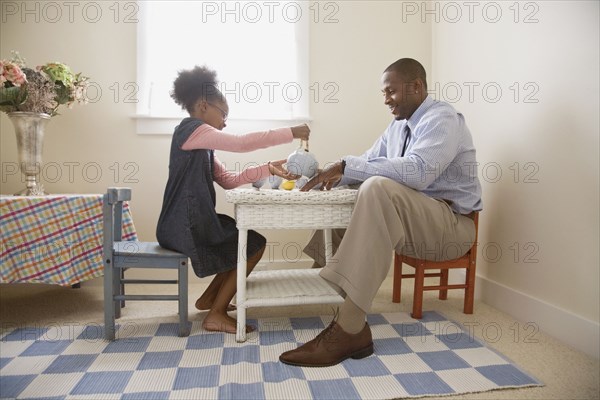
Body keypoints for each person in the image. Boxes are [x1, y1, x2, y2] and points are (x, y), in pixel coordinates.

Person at [279, 58, 483, 367]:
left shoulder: (443, 119)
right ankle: (321, 290)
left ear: (416, 86)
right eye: (383, 93)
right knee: (349, 191)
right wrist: (329, 174)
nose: (386, 100)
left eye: (391, 92)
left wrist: (347, 166)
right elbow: (366, 162)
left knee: (375, 187)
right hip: (413, 224)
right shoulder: (397, 126)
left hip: (451, 229)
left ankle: (350, 328)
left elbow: (417, 173)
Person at [156, 66, 310, 334]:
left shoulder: (201, 142)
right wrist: (292, 131)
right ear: (204, 106)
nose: (225, 122)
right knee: (253, 245)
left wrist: (268, 168)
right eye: (223, 114)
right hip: (184, 224)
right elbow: (240, 143)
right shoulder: (190, 130)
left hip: (186, 221)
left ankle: (209, 300)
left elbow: (228, 179)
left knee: (243, 241)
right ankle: (215, 314)